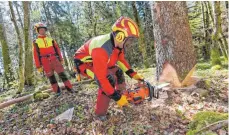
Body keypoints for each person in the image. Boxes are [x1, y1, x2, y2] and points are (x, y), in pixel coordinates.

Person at [73, 17, 144, 117]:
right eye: (130, 40)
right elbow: (101, 78)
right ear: (120, 36)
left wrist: (134, 74)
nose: (130, 44)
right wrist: (116, 97)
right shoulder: (101, 49)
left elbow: (121, 61)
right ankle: (100, 114)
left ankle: (122, 95)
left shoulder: (118, 45)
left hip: (97, 61)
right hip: (83, 64)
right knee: (107, 80)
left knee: (118, 71)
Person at [33, 23, 73, 96]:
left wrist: (61, 59)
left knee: (62, 74)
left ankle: (70, 88)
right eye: (41, 30)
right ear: (38, 31)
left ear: (45, 30)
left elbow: (57, 49)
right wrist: (38, 66)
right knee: (51, 77)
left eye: (43, 29)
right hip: (45, 61)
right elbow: (35, 54)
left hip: (55, 59)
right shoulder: (36, 42)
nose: (42, 31)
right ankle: (57, 92)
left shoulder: (51, 40)